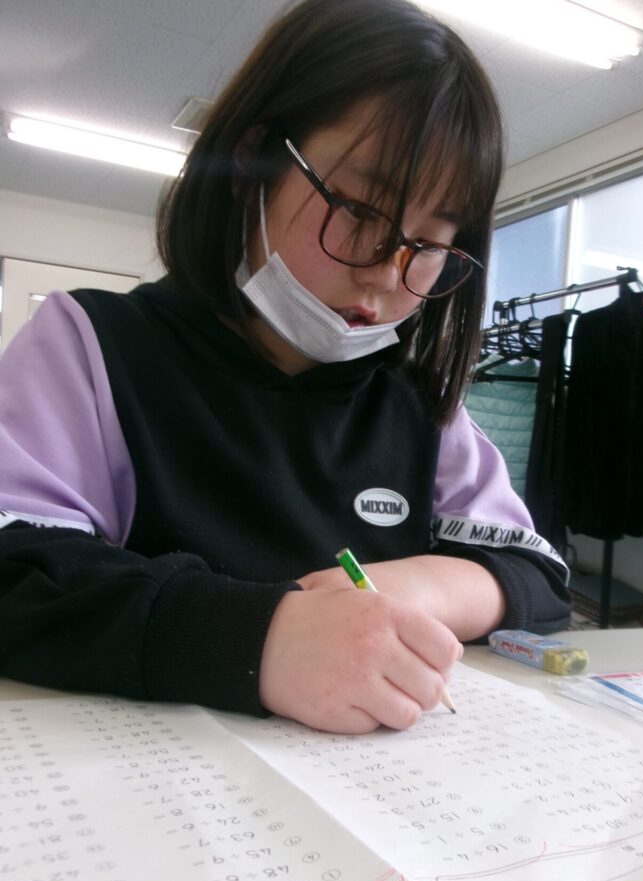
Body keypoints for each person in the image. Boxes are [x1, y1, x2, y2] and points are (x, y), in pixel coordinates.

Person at [0, 0, 570, 734]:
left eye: (428, 245)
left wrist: (414, 590)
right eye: (359, 212)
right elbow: (16, 569)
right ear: (252, 160)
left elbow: (537, 575)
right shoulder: (94, 345)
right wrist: (258, 638)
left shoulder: (416, 403)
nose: (385, 275)